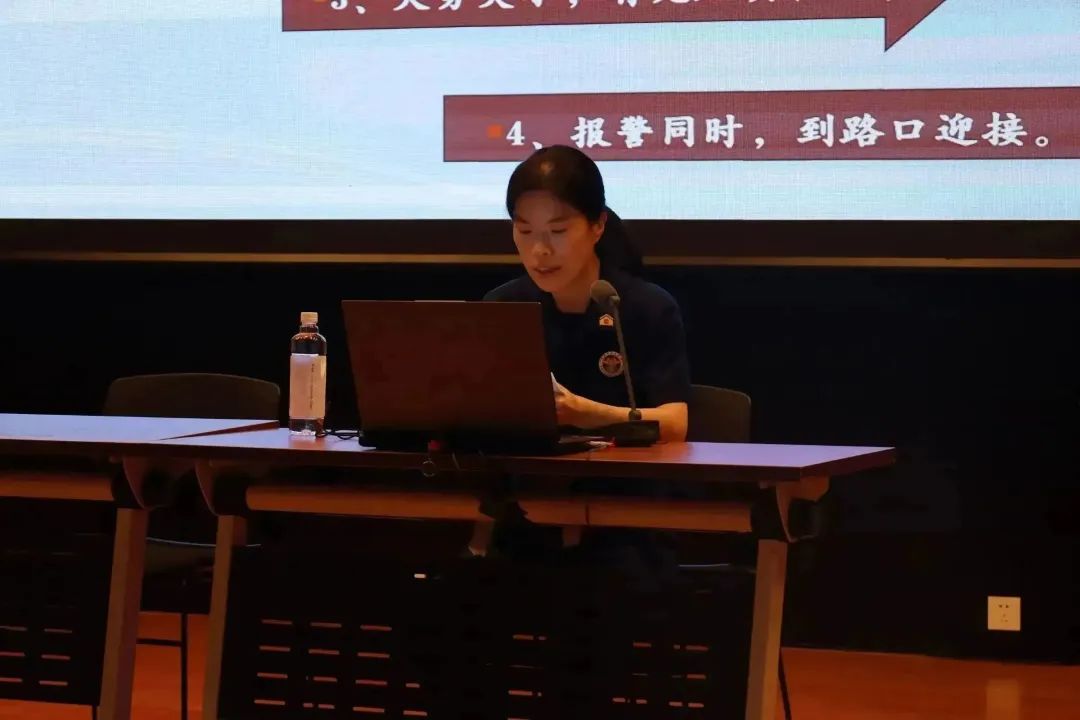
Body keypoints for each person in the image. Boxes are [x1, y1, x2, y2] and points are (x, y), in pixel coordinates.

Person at [469, 145, 692, 561]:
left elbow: (675, 423)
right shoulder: (503, 306)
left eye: (557, 231)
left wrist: (584, 412)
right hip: (524, 519)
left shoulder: (643, 307)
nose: (540, 250)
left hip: (626, 524)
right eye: (524, 231)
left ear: (597, 225)